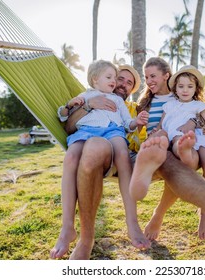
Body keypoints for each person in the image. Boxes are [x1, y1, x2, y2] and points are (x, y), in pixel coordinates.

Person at [50, 62, 150, 259]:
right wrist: (74, 105)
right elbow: (63, 116)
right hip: (85, 132)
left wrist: (136, 122)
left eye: (126, 82)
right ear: (95, 79)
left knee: (122, 154)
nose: (115, 82)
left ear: (131, 89)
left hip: (113, 131)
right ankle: (67, 227)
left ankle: (132, 222)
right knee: (70, 158)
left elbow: (126, 123)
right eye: (112, 77)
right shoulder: (85, 95)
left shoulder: (119, 102)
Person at [130, 65, 205, 240]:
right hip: (172, 140)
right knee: (177, 145)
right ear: (176, 87)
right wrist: (153, 132)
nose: (185, 90)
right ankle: (178, 150)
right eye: (146, 77)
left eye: (190, 86)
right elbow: (161, 126)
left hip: (193, 139)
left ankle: (204, 214)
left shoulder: (197, 105)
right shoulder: (160, 104)